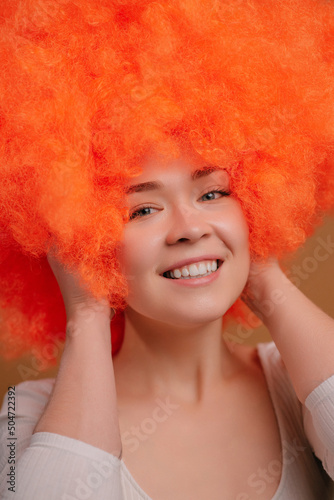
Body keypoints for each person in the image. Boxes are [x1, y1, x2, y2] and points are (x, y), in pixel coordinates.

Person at [0, 1, 334, 499]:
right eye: (142, 210)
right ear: (80, 237)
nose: (188, 228)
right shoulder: (25, 416)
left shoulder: (302, 381)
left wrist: (263, 275)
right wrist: (86, 313)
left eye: (214, 193)